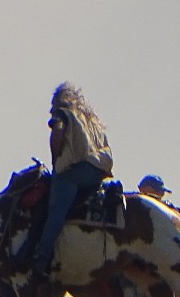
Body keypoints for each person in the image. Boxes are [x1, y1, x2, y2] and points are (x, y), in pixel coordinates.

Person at [26, 82, 114, 278]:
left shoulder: (63, 114)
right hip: (99, 171)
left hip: (77, 170)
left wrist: (56, 162)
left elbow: (57, 133)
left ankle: (41, 256)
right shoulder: (93, 120)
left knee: (56, 210)